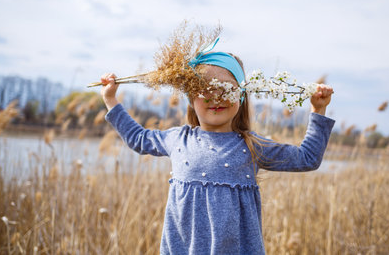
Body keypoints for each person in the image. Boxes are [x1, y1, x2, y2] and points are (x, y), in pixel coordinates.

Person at [100, 51, 335, 255]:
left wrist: (318, 110)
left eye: (226, 89)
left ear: (241, 97)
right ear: (191, 98)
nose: (216, 97)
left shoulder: (251, 146)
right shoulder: (178, 139)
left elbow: (307, 158)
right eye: (205, 89)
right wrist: (110, 100)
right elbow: (139, 139)